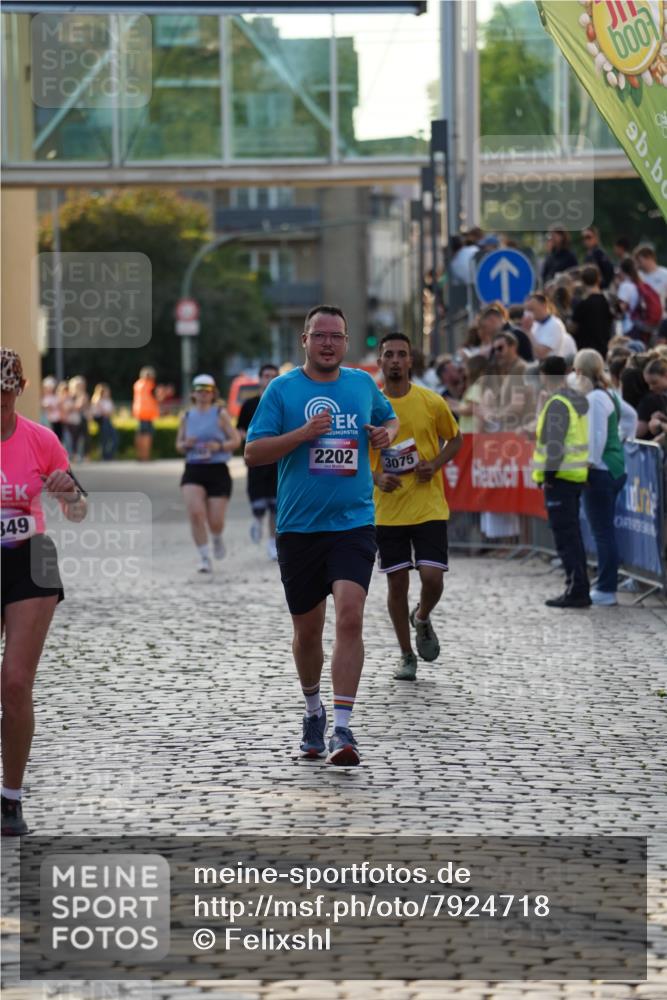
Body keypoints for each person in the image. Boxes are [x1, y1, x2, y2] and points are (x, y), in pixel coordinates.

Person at [245, 305, 398, 766]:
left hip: (353, 523)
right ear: (304, 341)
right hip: (299, 527)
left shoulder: (361, 384)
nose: (328, 343)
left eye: (336, 336)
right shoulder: (282, 390)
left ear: (347, 342)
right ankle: (313, 710)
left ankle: (344, 728)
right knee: (307, 632)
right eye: (320, 336)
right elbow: (253, 452)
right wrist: (302, 434)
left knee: (350, 616)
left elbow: (388, 419)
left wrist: (384, 435)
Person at [1, 348, 87, 836]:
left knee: (15, 682)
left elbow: (78, 510)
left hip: (29, 559)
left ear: (19, 390)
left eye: (5, 395)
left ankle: (10, 799)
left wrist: (68, 491)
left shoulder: (41, 440)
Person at [371, 334, 461, 680]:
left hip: (428, 505)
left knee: (432, 578)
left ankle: (421, 616)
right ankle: (406, 654)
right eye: (389, 355)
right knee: (396, 585)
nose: (395, 360)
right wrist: (378, 477)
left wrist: (434, 464)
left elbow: (456, 439)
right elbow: (358, 457)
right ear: (380, 362)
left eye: (401, 355)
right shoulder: (372, 406)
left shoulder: (431, 401)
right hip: (389, 509)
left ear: (411, 362)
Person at [573, 349, 636, 607]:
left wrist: (587, 467)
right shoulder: (608, 393)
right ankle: (606, 584)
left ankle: (607, 587)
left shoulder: (596, 397)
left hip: (601, 470)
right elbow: (630, 417)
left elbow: (596, 436)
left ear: (580, 372)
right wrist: (621, 440)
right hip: (612, 467)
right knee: (605, 530)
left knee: (602, 532)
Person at [532, 355, 590, 608]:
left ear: (545, 375)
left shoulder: (557, 403)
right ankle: (578, 586)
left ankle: (576, 589)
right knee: (572, 535)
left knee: (566, 537)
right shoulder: (574, 398)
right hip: (574, 476)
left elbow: (554, 442)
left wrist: (548, 477)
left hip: (561, 479)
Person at [176, 374, 241, 574]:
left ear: (213, 393)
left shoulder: (220, 414)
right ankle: (204, 557)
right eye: (199, 390)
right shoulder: (186, 416)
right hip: (194, 469)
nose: (203, 394)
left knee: (215, 521)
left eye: (207, 391)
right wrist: (185, 445)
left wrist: (219, 445)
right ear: (193, 393)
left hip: (217, 470)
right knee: (195, 514)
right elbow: (178, 445)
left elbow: (236, 440)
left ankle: (217, 537)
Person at [237, 363, 280, 560]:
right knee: (258, 500)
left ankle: (272, 543)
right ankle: (256, 519)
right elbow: (240, 430)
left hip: (277, 459)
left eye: (273, 375)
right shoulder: (249, 404)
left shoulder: (283, 402)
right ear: (260, 379)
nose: (269, 378)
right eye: (266, 375)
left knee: (275, 504)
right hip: (257, 459)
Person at [570, 265, 614, 356]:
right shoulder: (607, 301)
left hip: (586, 350)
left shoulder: (582, 304)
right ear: (599, 279)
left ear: (582, 281)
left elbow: (573, 327)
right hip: (604, 347)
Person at [526, 293, 577, 360]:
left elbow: (541, 354)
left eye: (532, 309)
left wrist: (527, 331)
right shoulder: (534, 324)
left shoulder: (555, 325)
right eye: (527, 310)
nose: (529, 313)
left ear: (543, 306)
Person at [132, 366, 160, 461]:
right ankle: (146, 456)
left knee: (140, 435)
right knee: (147, 436)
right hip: (147, 414)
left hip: (139, 412)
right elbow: (157, 397)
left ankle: (139, 456)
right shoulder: (150, 385)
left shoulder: (137, 384)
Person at [636, 357, 667, 439]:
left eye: (654, 383)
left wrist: (660, 425)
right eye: (648, 384)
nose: (651, 388)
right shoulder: (660, 397)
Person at [635, 245, 667, 316]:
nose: (638, 264)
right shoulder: (638, 276)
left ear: (649, 258)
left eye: (640, 261)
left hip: (660, 319)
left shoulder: (665, 274)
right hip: (641, 319)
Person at [91, 383, 118, 461]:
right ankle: (104, 456)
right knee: (104, 439)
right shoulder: (97, 400)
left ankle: (109, 455)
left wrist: (108, 413)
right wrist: (108, 413)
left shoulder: (109, 400)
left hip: (108, 420)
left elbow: (112, 411)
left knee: (114, 438)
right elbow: (103, 412)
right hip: (102, 421)